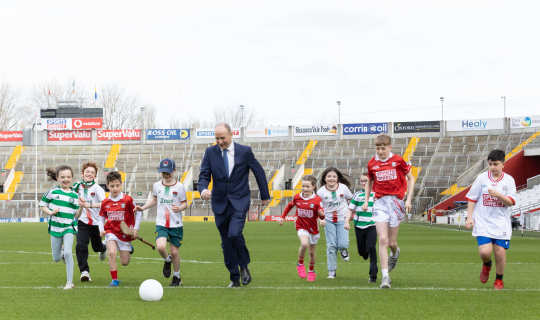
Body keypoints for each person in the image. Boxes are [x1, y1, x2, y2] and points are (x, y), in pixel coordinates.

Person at [198, 123, 270, 288]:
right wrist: (203, 190)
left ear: (231, 135)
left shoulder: (245, 151)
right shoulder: (210, 152)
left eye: (222, 137)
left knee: (234, 233)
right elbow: (203, 175)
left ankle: (243, 265)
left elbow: (258, 171)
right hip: (219, 203)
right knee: (226, 242)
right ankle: (234, 277)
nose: (220, 141)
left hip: (239, 200)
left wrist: (265, 196)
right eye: (217, 138)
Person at [362, 133, 415, 289]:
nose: (380, 151)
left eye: (383, 148)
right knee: (383, 239)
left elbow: (411, 178)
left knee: (391, 242)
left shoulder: (398, 161)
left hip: (396, 202)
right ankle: (385, 277)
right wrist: (367, 200)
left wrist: (409, 199)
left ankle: (395, 252)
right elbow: (369, 182)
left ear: (390, 147)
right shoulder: (372, 163)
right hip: (380, 203)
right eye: (378, 148)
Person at [465, 150, 516, 290]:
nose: (492, 167)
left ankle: (499, 280)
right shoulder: (482, 178)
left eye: (495, 164)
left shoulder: (509, 180)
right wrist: (469, 217)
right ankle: (487, 264)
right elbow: (472, 198)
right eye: (490, 164)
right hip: (483, 222)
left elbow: (511, 202)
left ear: (503, 164)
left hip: (501, 223)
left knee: (500, 251)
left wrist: (498, 194)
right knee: (485, 252)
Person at [135, 158, 188, 287]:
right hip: (161, 223)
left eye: (169, 172)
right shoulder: (157, 185)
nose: (166, 175)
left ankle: (177, 277)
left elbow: (185, 203)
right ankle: (167, 259)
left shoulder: (180, 187)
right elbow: (154, 200)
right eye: (164, 172)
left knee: (175, 252)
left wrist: (180, 208)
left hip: (176, 224)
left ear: (174, 171)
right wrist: (143, 207)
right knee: (160, 247)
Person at [40, 165, 83, 290]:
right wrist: (50, 212)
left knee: (69, 252)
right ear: (57, 178)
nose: (66, 179)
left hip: (69, 227)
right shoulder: (52, 192)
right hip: (55, 227)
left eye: (68, 177)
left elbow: (77, 216)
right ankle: (62, 253)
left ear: (72, 178)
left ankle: (70, 282)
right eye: (63, 177)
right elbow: (42, 205)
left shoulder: (75, 196)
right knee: (56, 258)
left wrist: (81, 207)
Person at [277, 175, 324, 282]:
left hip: (313, 228)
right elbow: (289, 206)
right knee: (304, 244)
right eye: (303, 186)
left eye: (307, 186)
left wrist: (321, 215)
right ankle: (300, 264)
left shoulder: (317, 199)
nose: (305, 189)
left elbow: (322, 216)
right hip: (301, 226)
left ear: (313, 186)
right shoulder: (297, 197)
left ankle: (311, 271)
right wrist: (282, 217)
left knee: (312, 252)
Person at [98, 171, 141, 287]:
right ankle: (114, 280)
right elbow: (101, 218)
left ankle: (127, 246)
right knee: (112, 253)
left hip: (124, 233)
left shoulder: (127, 200)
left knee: (125, 262)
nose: (115, 189)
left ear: (121, 185)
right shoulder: (105, 202)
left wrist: (135, 229)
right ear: (107, 186)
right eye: (112, 186)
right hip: (111, 231)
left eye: (117, 186)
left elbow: (138, 213)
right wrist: (101, 229)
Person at [72, 161, 107, 282]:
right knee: (81, 245)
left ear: (95, 176)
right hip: (82, 221)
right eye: (87, 172)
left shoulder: (97, 188)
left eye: (92, 172)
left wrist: (89, 205)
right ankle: (84, 272)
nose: (89, 174)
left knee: (97, 247)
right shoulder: (77, 186)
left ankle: (104, 248)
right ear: (82, 173)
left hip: (96, 223)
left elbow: (105, 203)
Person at [317, 167, 353, 279]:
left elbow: (352, 199)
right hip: (328, 221)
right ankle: (331, 271)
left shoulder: (343, 188)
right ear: (325, 178)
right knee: (331, 245)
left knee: (342, 244)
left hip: (342, 219)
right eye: (329, 176)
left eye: (334, 176)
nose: (331, 178)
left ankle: (343, 250)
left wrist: (350, 215)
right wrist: (321, 220)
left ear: (337, 178)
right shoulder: (321, 192)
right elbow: (317, 208)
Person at [345, 173, 377, 283]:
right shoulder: (357, 195)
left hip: (372, 225)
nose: (363, 183)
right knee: (361, 252)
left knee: (372, 248)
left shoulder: (376, 194)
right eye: (362, 181)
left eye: (366, 181)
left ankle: (373, 276)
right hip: (359, 226)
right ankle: (365, 250)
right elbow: (350, 209)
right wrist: (346, 222)